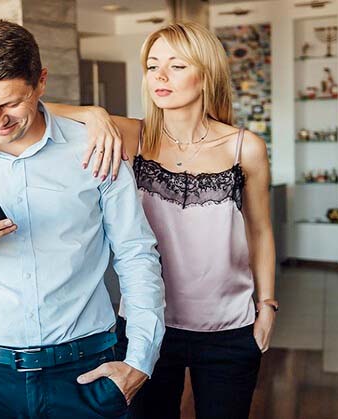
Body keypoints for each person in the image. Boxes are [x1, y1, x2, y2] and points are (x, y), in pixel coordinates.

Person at [0, 20, 165, 419]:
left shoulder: (95, 148)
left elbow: (136, 254)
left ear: (40, 82)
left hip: (84, 371)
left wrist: (140, 359)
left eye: (10, 103)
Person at [46, 21, 277, 419]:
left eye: (177, 66)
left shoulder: (245, 147)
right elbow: (33, 108)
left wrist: (267, 305)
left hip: (229, 328)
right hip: (147, 326)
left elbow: (260, 230)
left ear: (207, 74)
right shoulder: (132, 137)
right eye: (152, 66)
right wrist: (94, 114)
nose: (160, 76)